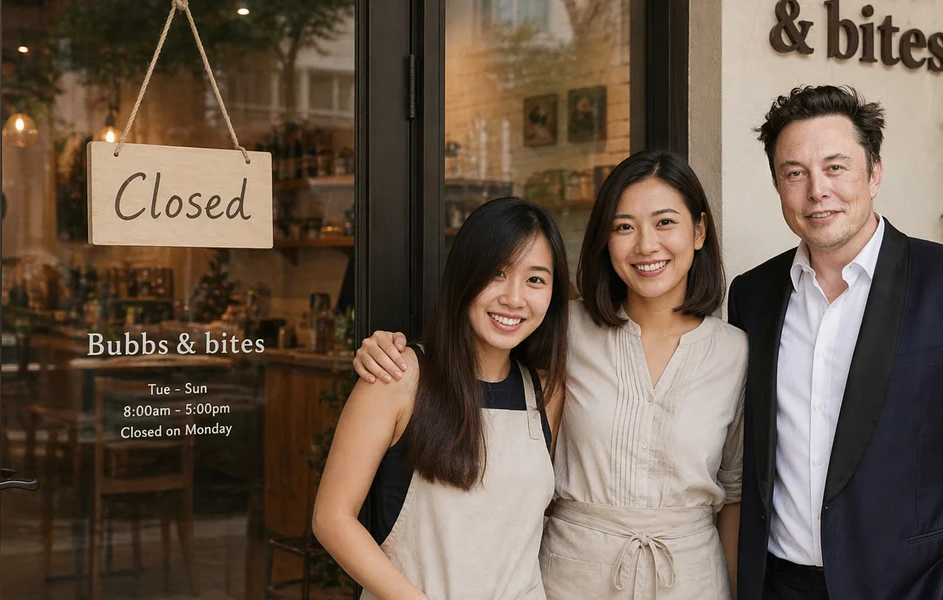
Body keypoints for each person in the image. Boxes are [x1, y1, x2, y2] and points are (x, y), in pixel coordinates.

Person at [355, 150, 747, 600]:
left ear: (698, 231)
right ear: (604, 239)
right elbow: (477, 352)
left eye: (665, 222)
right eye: (624, 226)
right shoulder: (563, 328)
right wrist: (383, 351)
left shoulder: (735, 351)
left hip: (691, 578)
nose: (645, 245)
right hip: (573, 575)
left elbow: (733, 495)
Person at [727, 85, 943, 600]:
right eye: (795, 173)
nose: (817, 190)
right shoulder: (752, 294)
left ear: (874, 173)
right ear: (777, 185)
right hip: (780, 585)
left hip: (916, 587)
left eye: (836, 167)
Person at [312, 197, 571, 600]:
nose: (515, 298)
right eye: (498, 273)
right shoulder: (397, 376)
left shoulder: (545, 392)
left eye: (536, 280)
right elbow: (332, 518)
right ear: (465, 275)